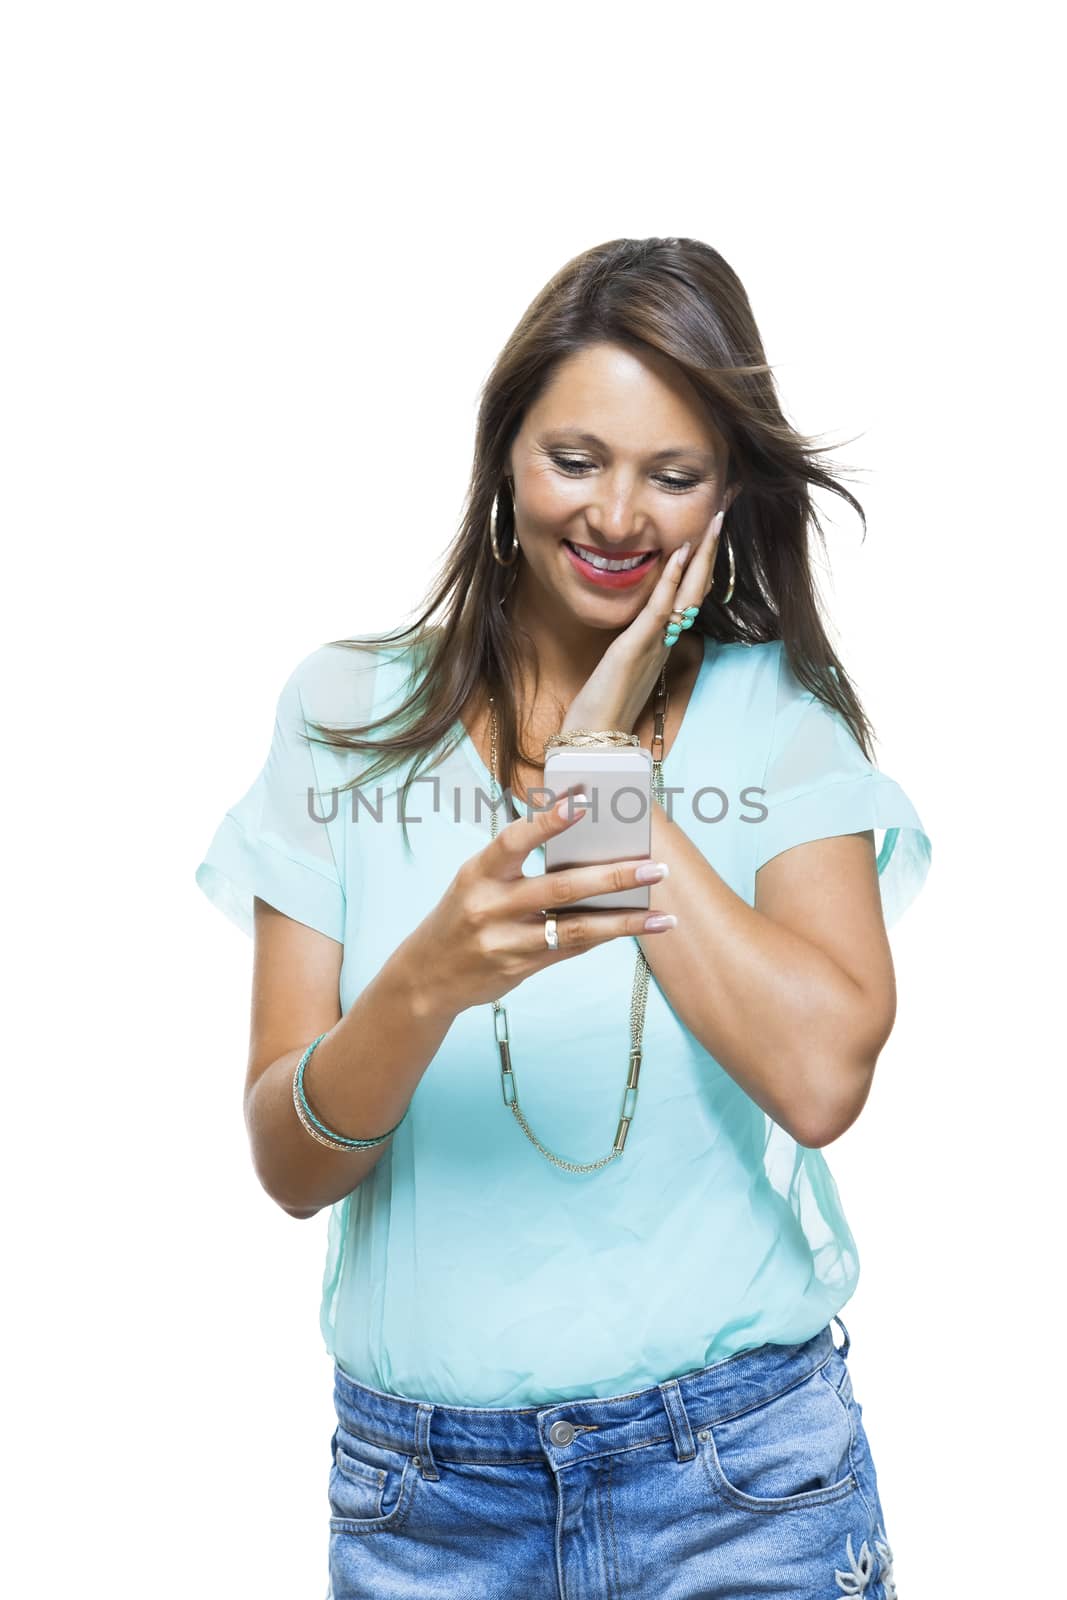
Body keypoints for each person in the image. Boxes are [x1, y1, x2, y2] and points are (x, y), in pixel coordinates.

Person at [195, 236, 926, 1599]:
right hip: (429, 1506)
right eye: (575, 459)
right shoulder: (344, 716)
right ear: (503, 463)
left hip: (738, 1483)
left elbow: (825, 1078)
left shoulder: (779, 720)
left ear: (726, 500)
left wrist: (610, 783)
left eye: (674, 474)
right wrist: (426, 982)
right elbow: (291, 1168)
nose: (616, 517)